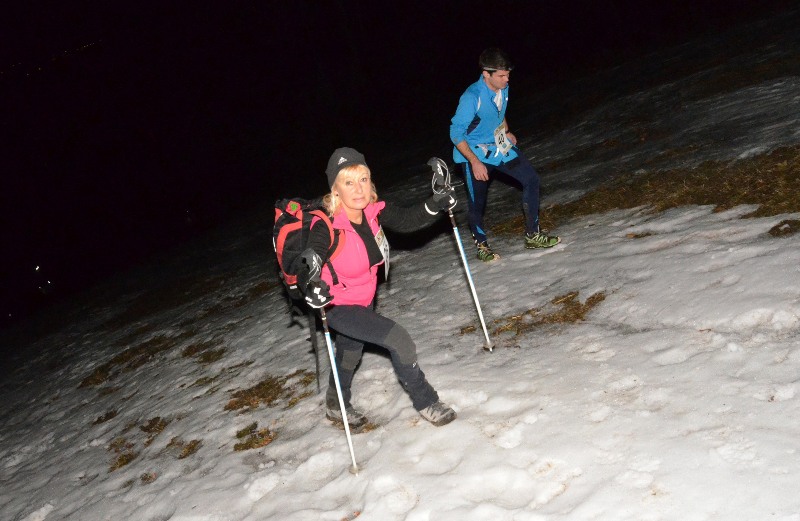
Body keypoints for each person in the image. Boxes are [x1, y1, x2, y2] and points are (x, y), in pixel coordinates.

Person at [296, 147, 458, 430]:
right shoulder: (327, 226)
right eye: (348, 182)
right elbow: (310, 259)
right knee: (400, 340)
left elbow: (408, 219)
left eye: (363, 179)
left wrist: (436, 203)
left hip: (364, 299)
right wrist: (309, 283)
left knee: (349, 353)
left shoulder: (373, 211)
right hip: (335, 305)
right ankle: (427, 401)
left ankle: (335, 404)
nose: (358, 189)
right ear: (335, 190)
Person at [449, 47, 560, 262]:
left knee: (531, 179)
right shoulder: (472, 97)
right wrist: (474, 162)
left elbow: (499, 112)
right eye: (501, 75)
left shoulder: (503, 87)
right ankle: (482, 246)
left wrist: (506, 131)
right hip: (474, 153)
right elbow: (455, 132)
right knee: (477, 202)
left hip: (498, 145)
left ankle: (533, 235)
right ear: (486, 74)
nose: (507, 79)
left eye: (508, 74)